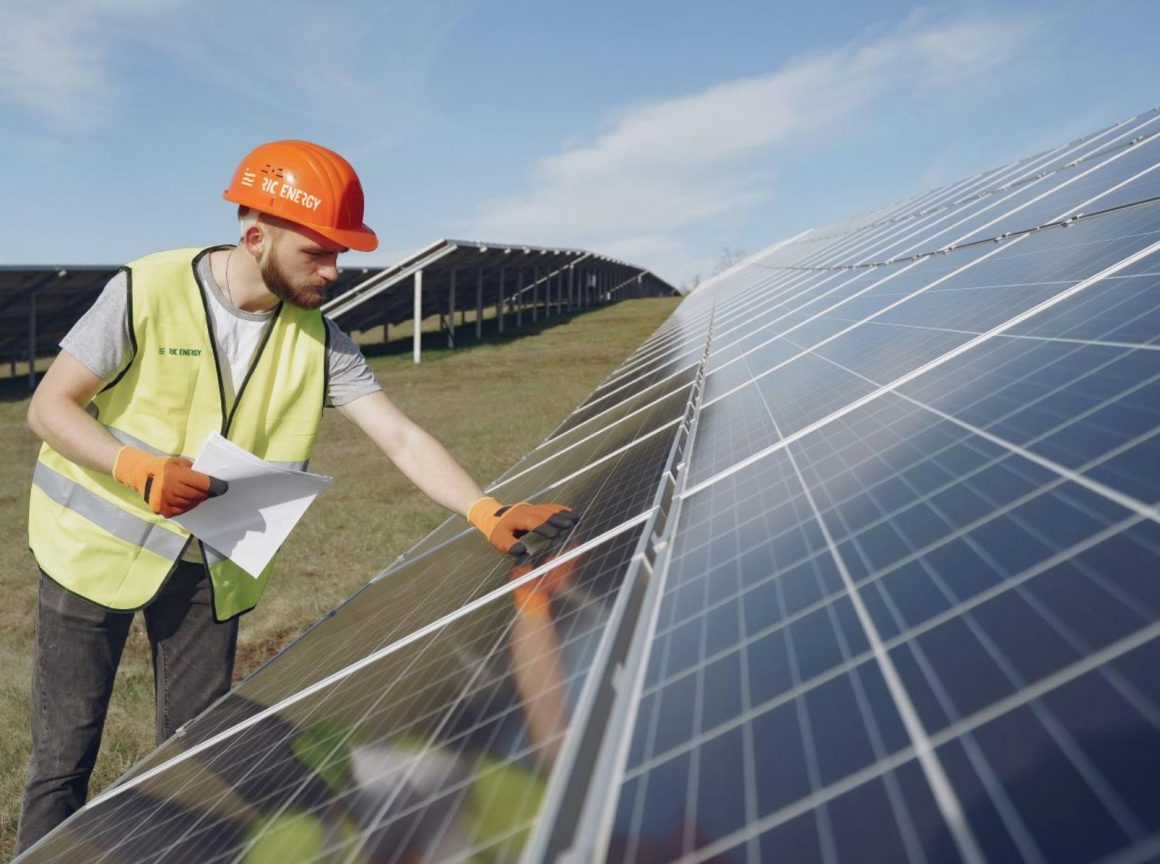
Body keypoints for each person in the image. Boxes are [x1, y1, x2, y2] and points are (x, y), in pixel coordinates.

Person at [16, 139, 578, 853]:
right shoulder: (147, 289)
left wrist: (483, 509)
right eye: (319, 252)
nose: (336, 270)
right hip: (91, 550)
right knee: (63, 758)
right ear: (257, 237)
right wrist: (137, 466)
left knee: (196, 751)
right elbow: (49, 407)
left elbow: (399, 437)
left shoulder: (320, 339)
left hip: (210, 564)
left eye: (340, 253)